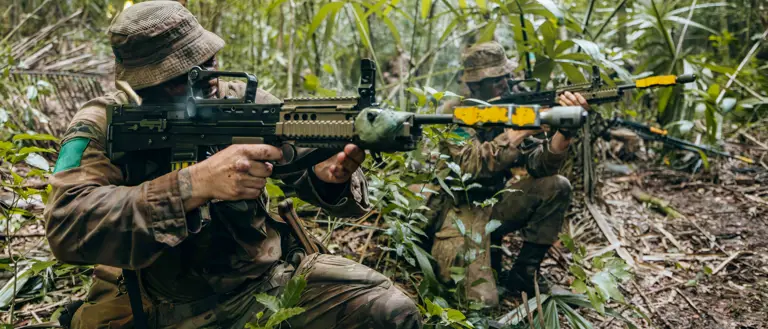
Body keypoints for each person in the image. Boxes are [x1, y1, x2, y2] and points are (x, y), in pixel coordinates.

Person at [43, 1, 421, 328]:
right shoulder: (102, 124)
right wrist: (192, 184)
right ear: (143, 83)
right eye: (185, 73)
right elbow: (67, 224)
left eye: (208, 60)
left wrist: (327, 177)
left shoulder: (244, 103)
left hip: (260, 285)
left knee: (392, 312)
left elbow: (308, 166)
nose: (208, 76)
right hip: (156, 306)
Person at [426, 41, 590, 307]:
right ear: (475, 85)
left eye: (507, 76)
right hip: (458, 210)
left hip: (496, 204)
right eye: (496, 79)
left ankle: (524, 274)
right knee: (483, 303)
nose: (507, 83)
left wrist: (564, 128)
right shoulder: (454, 112)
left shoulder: (512, 105)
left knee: (556, 186)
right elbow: (469, 166)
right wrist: (521, 129)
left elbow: (541, 168)